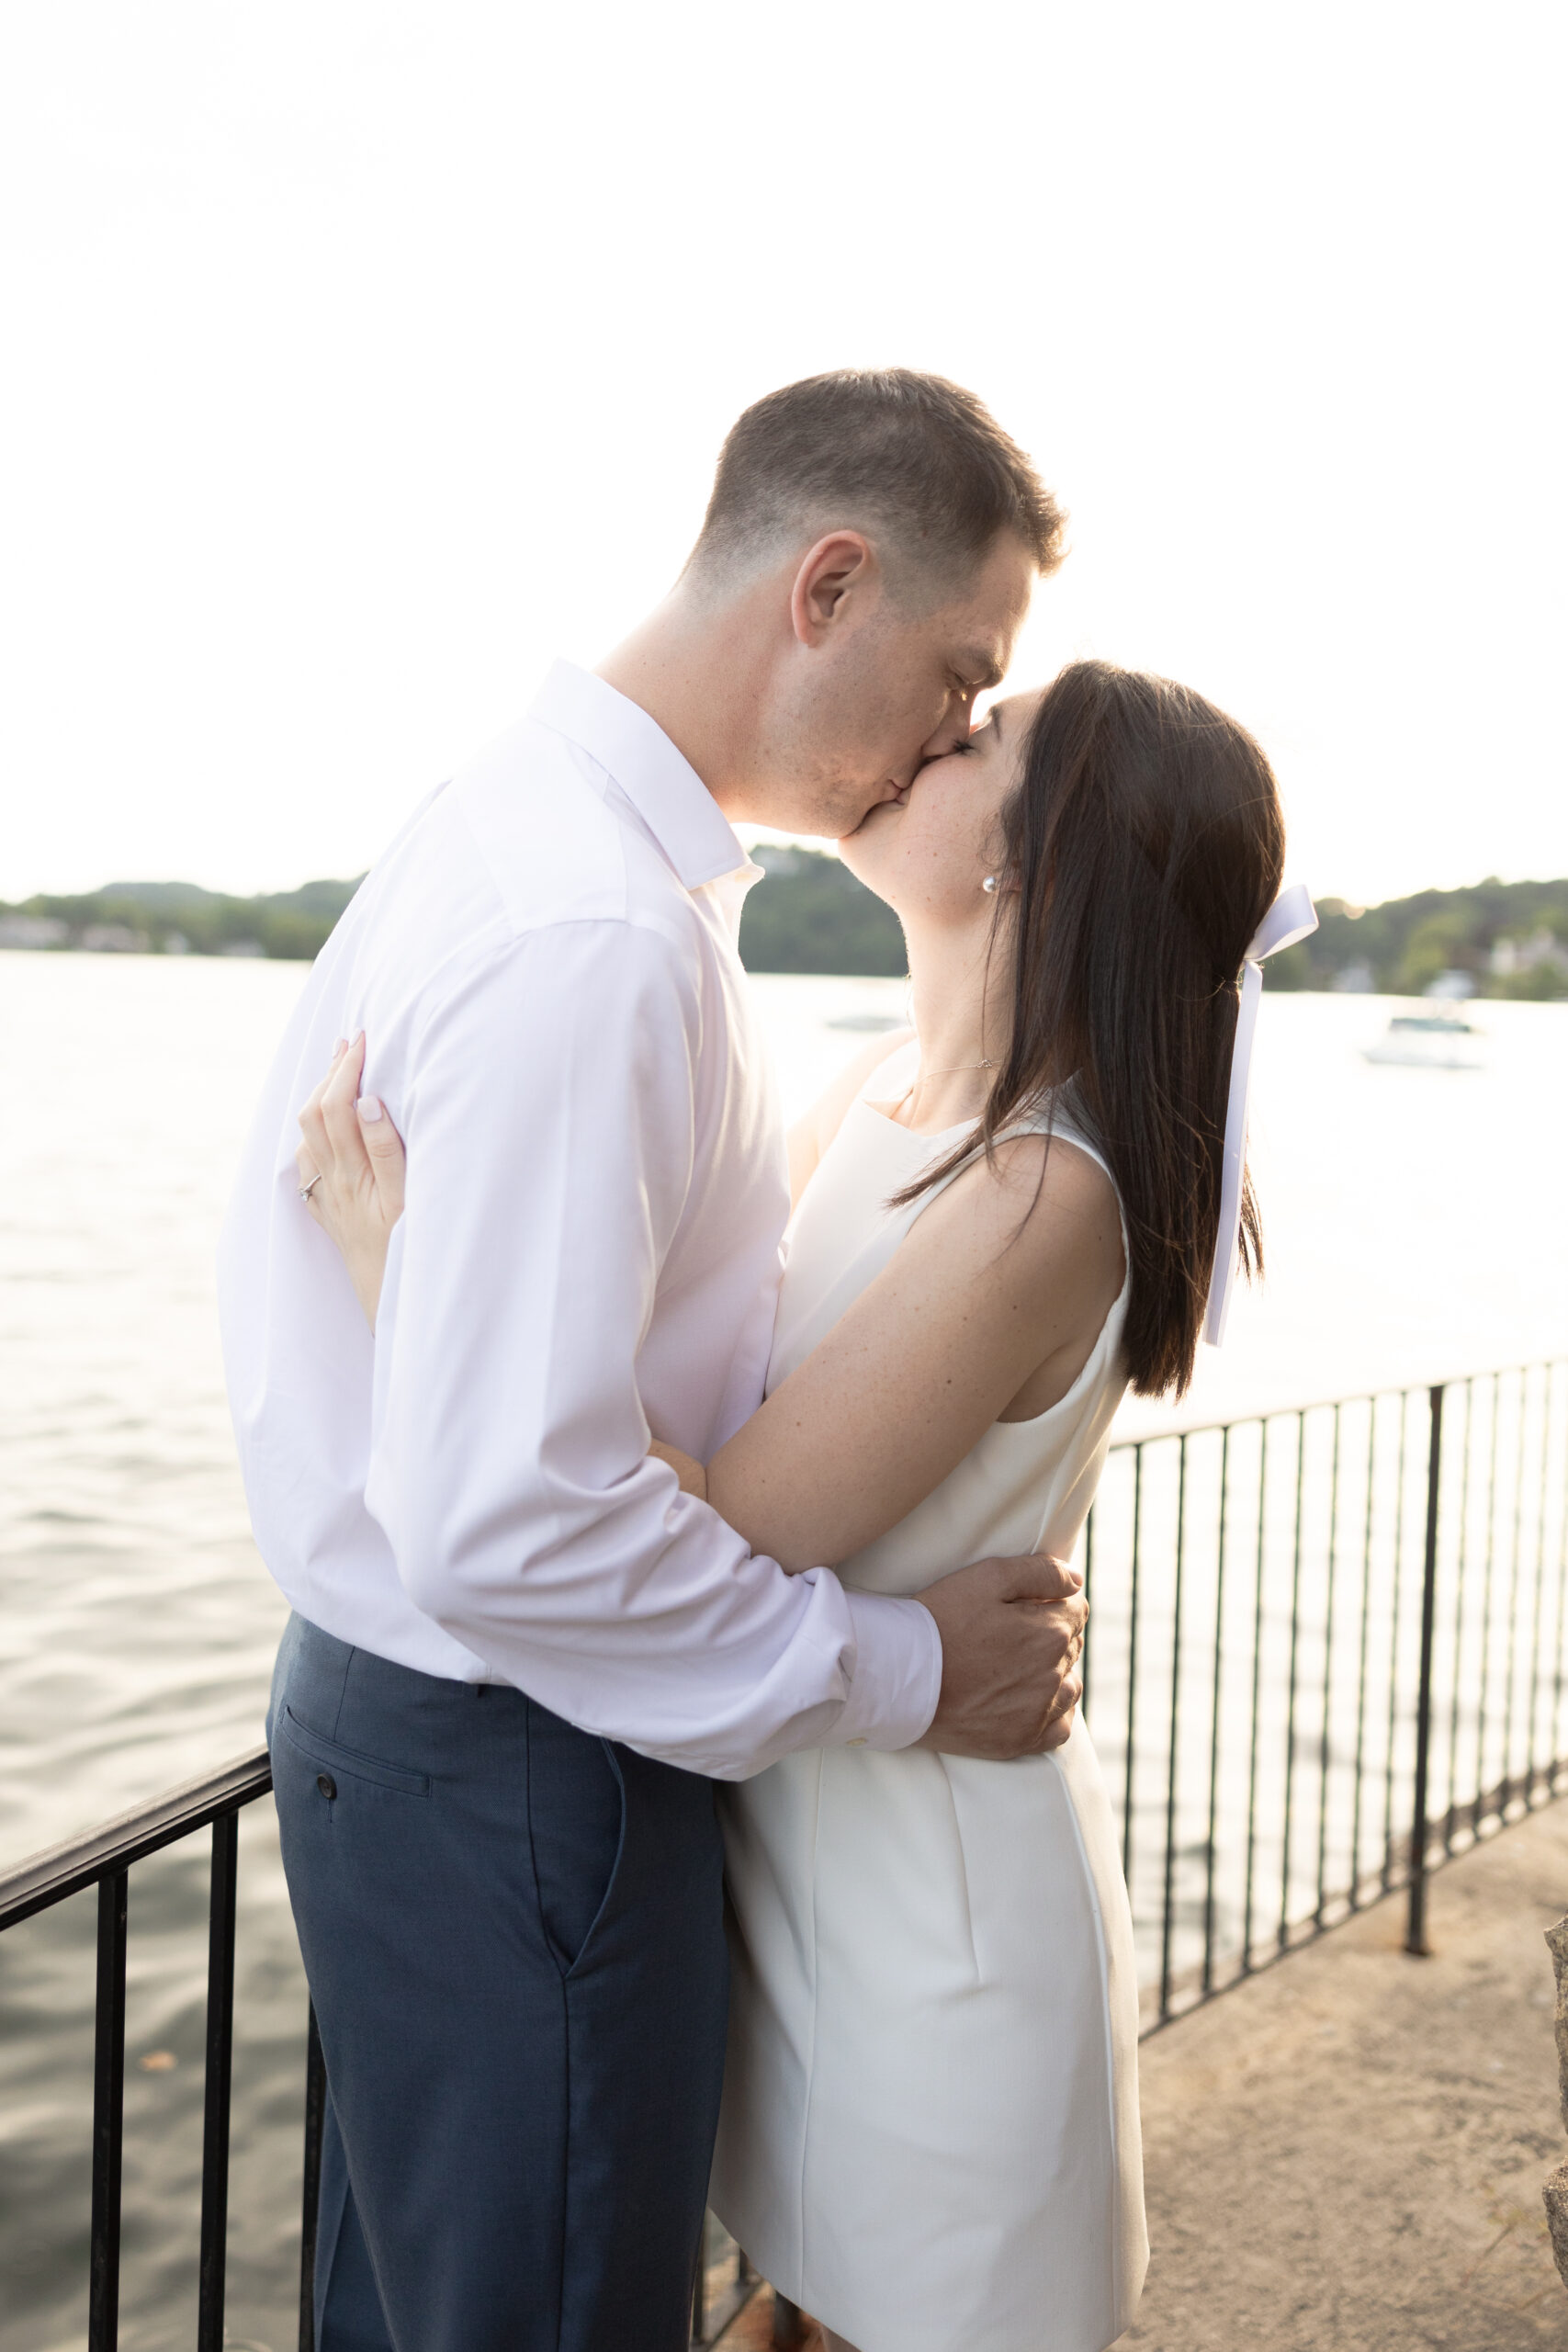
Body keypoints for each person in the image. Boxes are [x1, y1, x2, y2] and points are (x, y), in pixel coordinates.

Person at [217, 368, 1092, 2352]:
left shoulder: (530, 837)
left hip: (424, 1735)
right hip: (519, 1761)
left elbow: (505, 1415)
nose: (951, 730)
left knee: (434, 2301)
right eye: (956, 672)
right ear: (827, 584)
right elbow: (515, 1514)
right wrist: (899, 1665)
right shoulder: (590, 933)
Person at [295, 661, 1306, 2351]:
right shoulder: (880, 1100)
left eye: (989, 737)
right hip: (807, 1867)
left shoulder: (1043, 1188)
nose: (937, 735)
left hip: (933, 1931)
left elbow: (734, 1520)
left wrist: (427, 1298)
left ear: (1041, 864)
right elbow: (663, 1411)